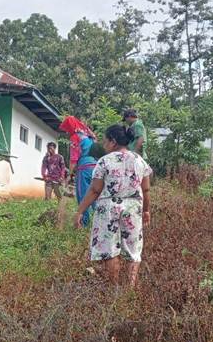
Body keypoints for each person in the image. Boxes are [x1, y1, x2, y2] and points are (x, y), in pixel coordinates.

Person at [75, 125, 152, 286]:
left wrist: (80, 210)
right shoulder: (139, 161)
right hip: (133, 208)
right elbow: (145, 189)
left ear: (113, 142)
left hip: (108, 209)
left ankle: (114, 289)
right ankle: (129, 289)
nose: (104, 144)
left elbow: (95, 190)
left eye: (105, 141)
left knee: (110, 250)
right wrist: (146, 210)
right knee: (133, 249)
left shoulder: (104, 161)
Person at [59, 116, 98, 226]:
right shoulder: (90, 136)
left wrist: (69, 175)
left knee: (83, 195)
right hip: (96, 168)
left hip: (84, 169)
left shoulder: (75, 137)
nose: (67, 132)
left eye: (67, 129)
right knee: (95, 194)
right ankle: (99, 221)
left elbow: (74, 159)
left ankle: (83, 223)